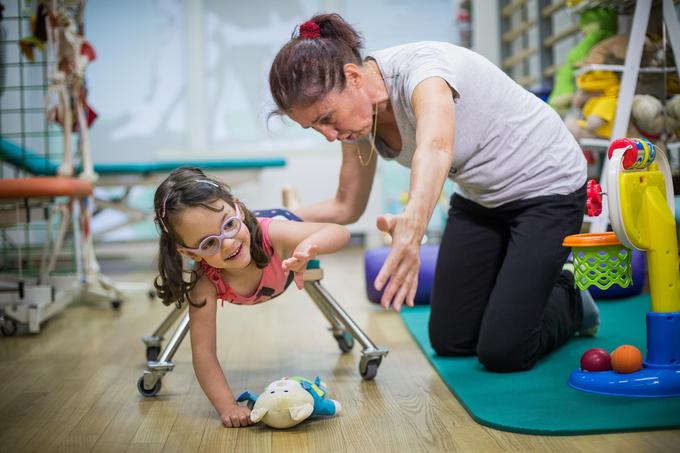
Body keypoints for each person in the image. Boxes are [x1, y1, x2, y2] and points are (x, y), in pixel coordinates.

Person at [268, 14, 600, 373]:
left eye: (326, 118)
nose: (329, 134)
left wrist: (413, 226)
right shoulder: (355, 121)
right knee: (451, 340)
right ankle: (518, 296)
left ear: (352, 76)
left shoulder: (423, 71)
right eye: (315, 127)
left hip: (547, 188)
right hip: (481, 198)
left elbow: (436, 146)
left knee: (504, 352)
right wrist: (266, 222)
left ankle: (570, 297)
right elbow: (346, 206)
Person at [153, 167, 350, 427]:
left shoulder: (274, 235)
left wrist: (305, 247)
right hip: (264, 239)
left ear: (238, 209)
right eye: (208, 243)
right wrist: (228, 407)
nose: (228, 243)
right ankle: (290, 203)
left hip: (279, 232)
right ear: (190, 253)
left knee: (296, 221)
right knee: (291, 223)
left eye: (229, 224)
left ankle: (291, 203)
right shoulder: (205, 283)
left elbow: (338, 231)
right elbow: (204, 354)